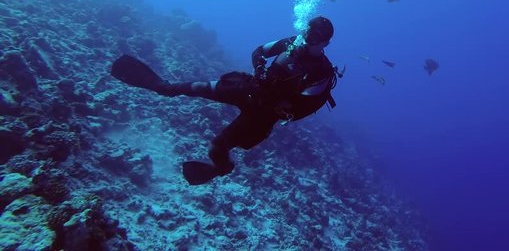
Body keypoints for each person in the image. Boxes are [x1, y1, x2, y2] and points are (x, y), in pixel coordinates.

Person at [110, 16, 340, 185]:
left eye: (315, 37)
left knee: (216, 148)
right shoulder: (289, 43)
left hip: (261, 114)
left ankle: (222, 167)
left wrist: (280, 109)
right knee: (188, 88)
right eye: (307, 31)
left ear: (325, 43)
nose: (307, 38)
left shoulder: (322, 72)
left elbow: (305, 108)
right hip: (250, 87)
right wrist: (259, 68)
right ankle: (159, 86)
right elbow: (259, 51)